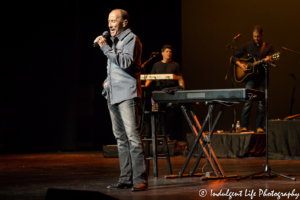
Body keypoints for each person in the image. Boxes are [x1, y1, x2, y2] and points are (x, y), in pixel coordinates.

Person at [94, 9, 147, 192]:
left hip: (127, 94)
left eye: (113, 20)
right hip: (113, 95)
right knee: (121, 139)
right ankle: (125, 179)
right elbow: (115, 68)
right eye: (108, 21)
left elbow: (125, 63)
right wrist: (107, 82)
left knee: (133, 137)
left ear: (124, 23)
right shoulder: (115, 42)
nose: (109, 24)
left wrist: (104, 47)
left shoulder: (131, 39)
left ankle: (140, 179)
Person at [232, 25, 274, 133]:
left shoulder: (268, 47)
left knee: (261, 103)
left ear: (262, 35)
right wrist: (241, 65)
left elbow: (272, 61)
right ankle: (244, 126)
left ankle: (259, 126)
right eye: (254, 36)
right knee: (248, 101)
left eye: (258, 36)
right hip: (250, 78)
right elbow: (234, 57)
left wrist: (269, 60)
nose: (256, 39)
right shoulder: (248, 45)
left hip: (262, 78)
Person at [145, 45, 185, 142]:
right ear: (162, 53)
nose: (169, 53)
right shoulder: (156, 65)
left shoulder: (175, 65)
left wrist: (182, 89)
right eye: (167, 51)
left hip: (171, 93)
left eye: (170, 52)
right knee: (156, 114)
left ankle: (168, 136)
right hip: (158, 92)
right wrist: (145, 85)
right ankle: (158, 136)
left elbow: (180, 78)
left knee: (170, 114)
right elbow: (150, 77)